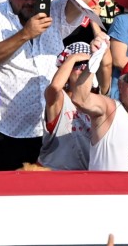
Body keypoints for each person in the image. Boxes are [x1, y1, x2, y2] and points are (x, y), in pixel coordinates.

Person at [0, 0, 91, 170]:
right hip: (7, 129)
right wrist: (25, 34)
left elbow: (84, 1)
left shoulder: (52, 11)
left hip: (48, 129)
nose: (30, 2)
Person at [37, 39, 111, 170]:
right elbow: (55, 87)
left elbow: (107, 66)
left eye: (87, 64)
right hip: (53, 174)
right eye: (78, 65)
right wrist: (73, 58)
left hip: (84, 176)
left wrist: (103, 46)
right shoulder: (60, 98)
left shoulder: (98, 99)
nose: (83, 68)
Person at [70, 45, 128, 171]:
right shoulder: (110, 108)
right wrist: (93, 62)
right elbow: (80, 99)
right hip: (105, 189)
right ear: (120, 85)